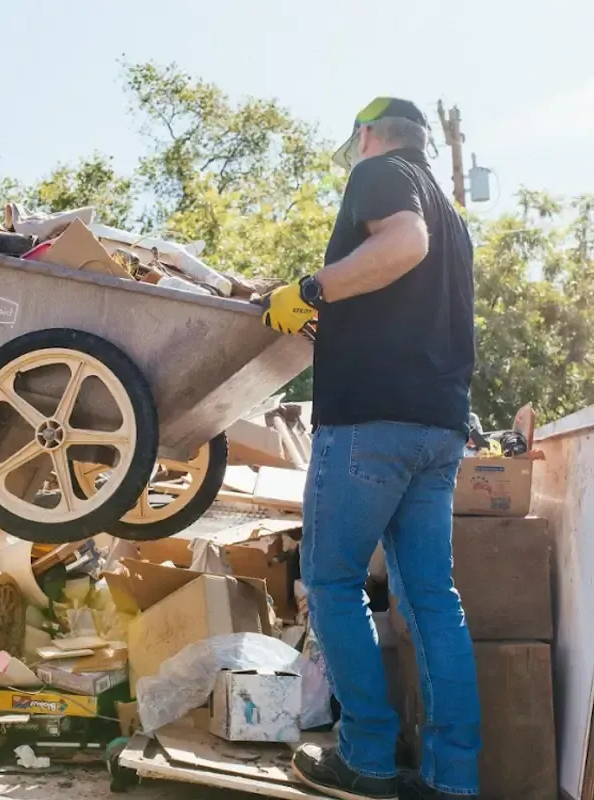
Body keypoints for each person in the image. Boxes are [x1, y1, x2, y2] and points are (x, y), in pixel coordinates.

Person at [261, 99, 481, 800]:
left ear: (367, 136)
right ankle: (455, 780)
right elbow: (407, 292)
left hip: (369, 424)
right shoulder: (454, 218)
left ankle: (369, 762)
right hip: (438, 428)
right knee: (433, 603)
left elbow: (402, 244)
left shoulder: (382, 173)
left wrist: (313, 288)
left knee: (331, 584)